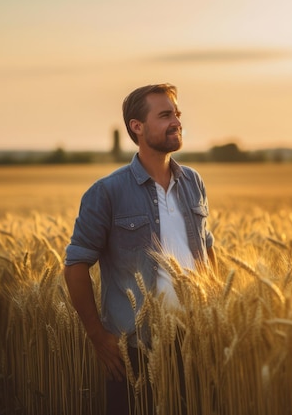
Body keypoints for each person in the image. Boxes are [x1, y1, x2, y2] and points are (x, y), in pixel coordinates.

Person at [64, 83, 216, 415]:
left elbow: (206, 250)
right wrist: (96, 334)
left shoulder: (193, 182)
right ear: (137, 127)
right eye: (165, 115)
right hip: (135, 347)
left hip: (194, 340)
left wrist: (214, 312)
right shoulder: (106, 192)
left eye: (177, 114)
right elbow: (75, 265)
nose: (176, 121)